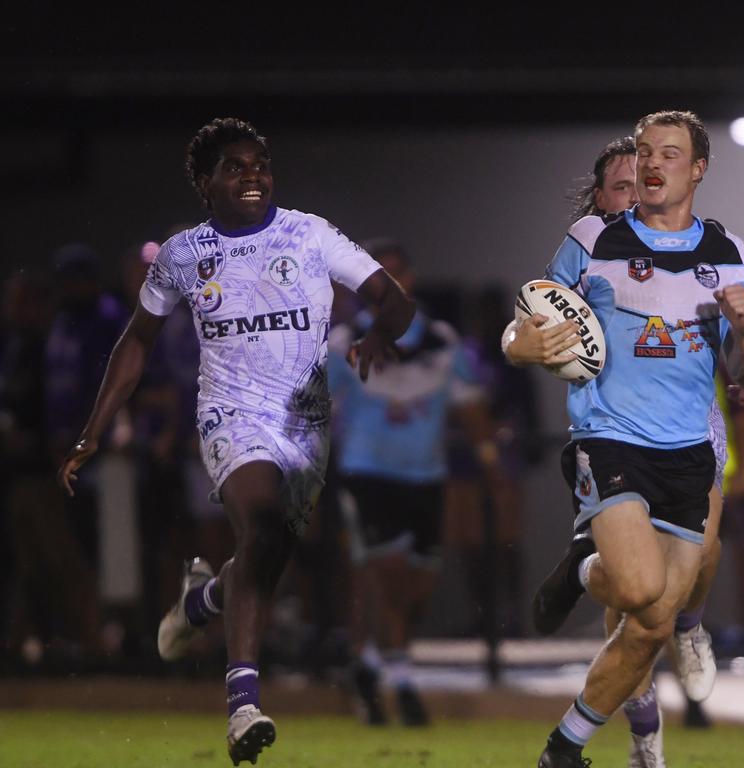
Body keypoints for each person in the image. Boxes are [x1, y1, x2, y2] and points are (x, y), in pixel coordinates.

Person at [56, 117, 415, 766]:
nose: (251, 175)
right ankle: (243, 703)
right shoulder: (184, 256)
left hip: (304, 421)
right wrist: (93, 429)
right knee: (264, 528)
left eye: (259, 164)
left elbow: (393, 299)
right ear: (205, 183)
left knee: (271, 550)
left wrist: (379, 331)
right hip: (231, 415)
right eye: (234, 166)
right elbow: (135, 341)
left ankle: (203, 600)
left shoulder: (309, 234)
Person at [505, 110, 744, 768]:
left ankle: (563, 748)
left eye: (670, 155)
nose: (653, 165)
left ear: (698, 169)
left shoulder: (730, 255)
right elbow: (523, 320)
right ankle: (592, 566)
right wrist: (523, 345)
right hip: (612, 439)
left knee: (652, 621)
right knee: (635, 587)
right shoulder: (593, 238)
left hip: (689, 454)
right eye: (646, 152)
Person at [326, 239, 504, 726]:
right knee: (384, 575)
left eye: (396, 274)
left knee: (419, 584)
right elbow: (316, 407)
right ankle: (402, 683)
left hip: (425, 477)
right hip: (367, 474)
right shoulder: (344, 345)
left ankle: (365, 665)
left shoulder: (443, 341)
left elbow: (471, 409)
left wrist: (491, 463)